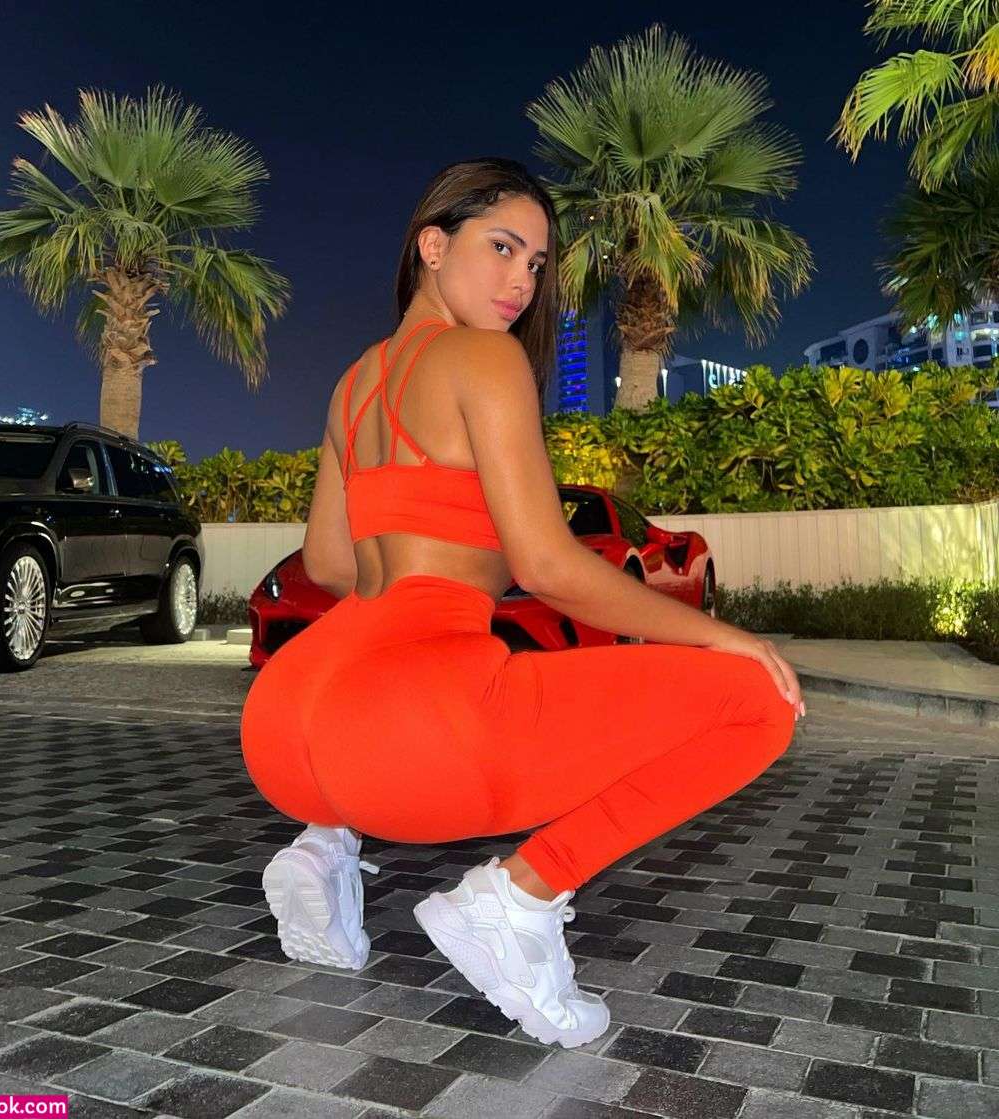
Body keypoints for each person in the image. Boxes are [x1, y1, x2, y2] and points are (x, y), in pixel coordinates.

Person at [240, 156, 803, 1049]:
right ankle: (518, 898)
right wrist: (719, 634)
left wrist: (421, 572)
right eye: (502, 248)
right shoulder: (484, 358)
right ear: (433, 245)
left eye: (537, 264)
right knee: (761, 703)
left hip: (287, 726)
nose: (522, 282)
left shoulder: (356, 381)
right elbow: (548, 565)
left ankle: (319, 850)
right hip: (411, 728)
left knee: (391, 727)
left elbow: (328, 561)